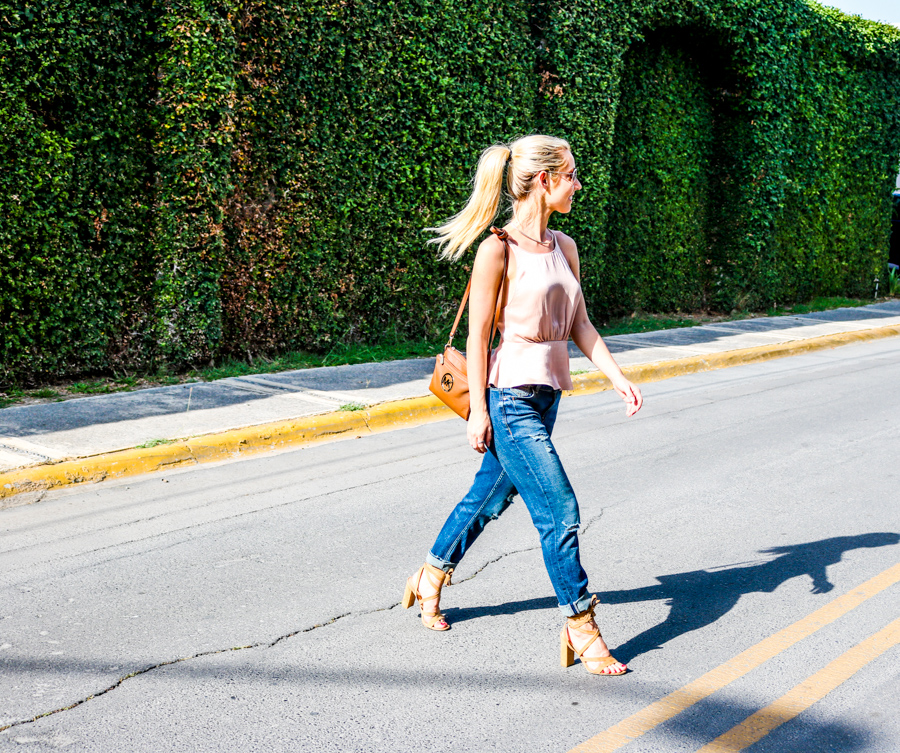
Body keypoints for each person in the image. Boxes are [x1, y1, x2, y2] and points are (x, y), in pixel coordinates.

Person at [402, 135, 643, 676]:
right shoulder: (497, 249)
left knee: (487, 498)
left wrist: (617, 378)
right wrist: (481, 413)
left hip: (547, 396)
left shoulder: (565, 246)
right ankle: (580, 625)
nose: (578, 185)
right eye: (572, 175)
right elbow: (477, 334)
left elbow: (580, 323)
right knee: (559, 510)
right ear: (545, 180)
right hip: (508, 398)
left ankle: (430, 575)